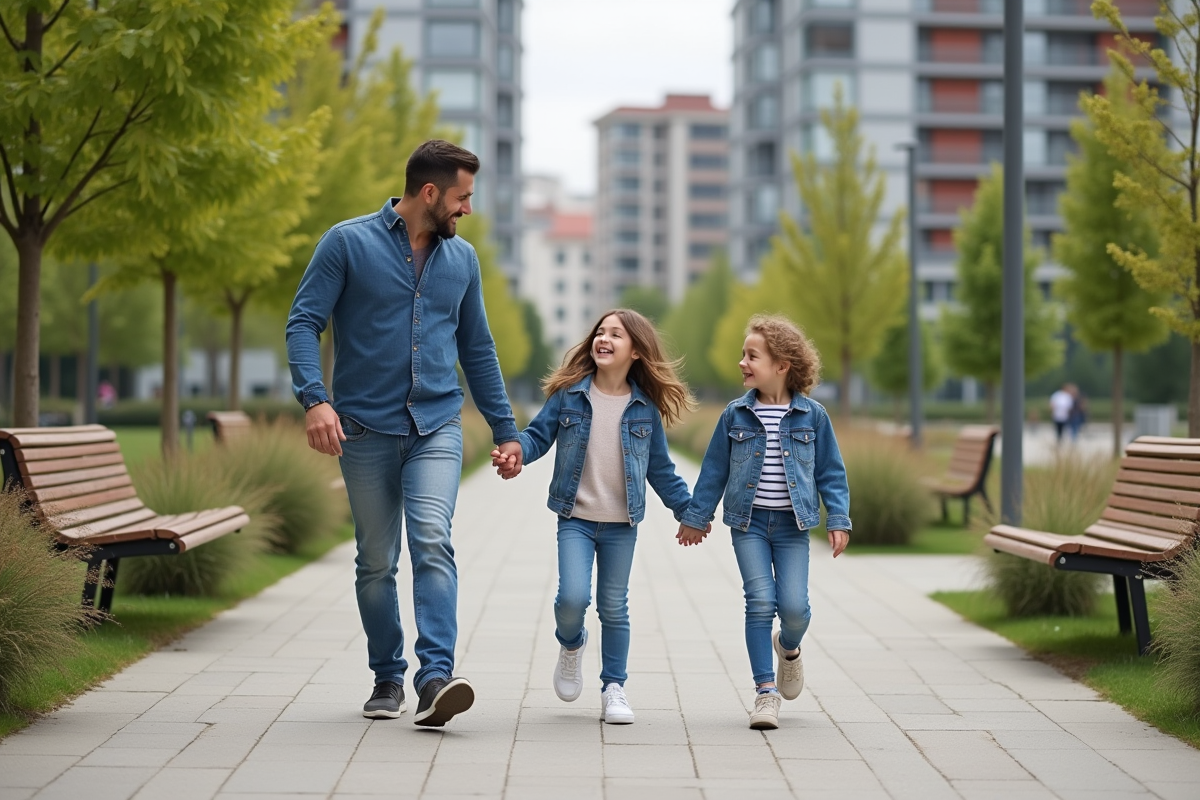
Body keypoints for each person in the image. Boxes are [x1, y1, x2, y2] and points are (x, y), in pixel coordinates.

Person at [285, 140, 524, 727]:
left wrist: (506, 430)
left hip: (435, 425)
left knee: (432, 539)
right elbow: (303, 322)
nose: (467, 208)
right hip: (363, 429)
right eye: (463, 197)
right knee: (374, 560)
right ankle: (386, 674)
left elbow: (479, 349)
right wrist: (316, 400)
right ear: (429, 193)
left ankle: (435, 678)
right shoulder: (346, 243)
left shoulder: (462, 260)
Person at [490, 309, 707, 724]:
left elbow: (660, 469)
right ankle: (571, 645)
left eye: (616, 335)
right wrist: (516, 452)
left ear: (637, 352)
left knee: (614, 606)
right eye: (600, 332)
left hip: (622, 523)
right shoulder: (570, 394)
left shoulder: (644, 409)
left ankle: (614, 687)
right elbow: (537, 437)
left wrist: (690, 512)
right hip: (576, 517)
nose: (603, 339)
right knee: (572, 598)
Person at [676, 314, 851, 731]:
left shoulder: (813, 417)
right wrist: (696, 517)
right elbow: (714, 471)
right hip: (749, 525)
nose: (742, 362)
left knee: (793, 608)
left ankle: (788, 648)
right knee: (759, 602)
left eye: (751, 355)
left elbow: (831, 471)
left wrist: (838, 518)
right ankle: (765, 693)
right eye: (742, 354)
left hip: (793, 527)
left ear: (782, 365)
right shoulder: (735, 416)